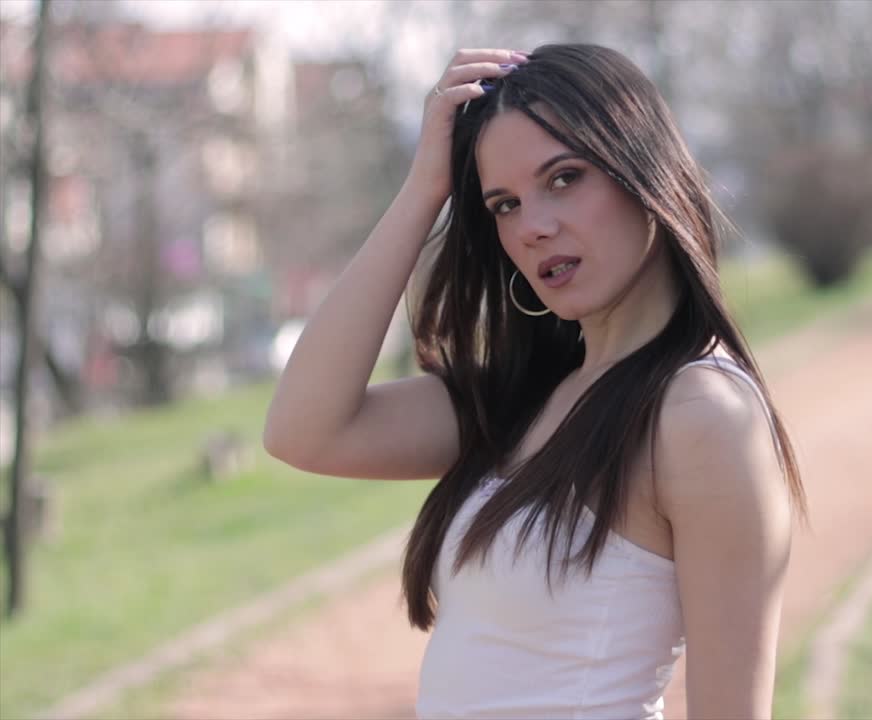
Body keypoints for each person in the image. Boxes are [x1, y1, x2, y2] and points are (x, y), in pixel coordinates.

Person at [264, 43, 807, 719]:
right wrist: (422, 191)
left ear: (643, 168)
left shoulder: (700, 415)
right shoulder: (521, 397)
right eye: (504, 205)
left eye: (563, 178)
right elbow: (302, 430)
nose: (535, 228)